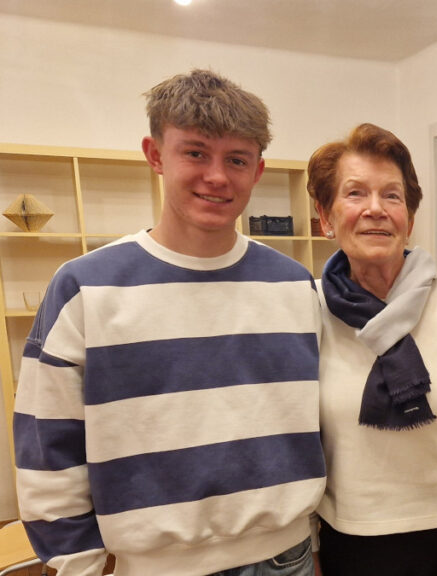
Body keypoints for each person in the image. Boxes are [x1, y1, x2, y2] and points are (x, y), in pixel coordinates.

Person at [14, 69, 325, 575]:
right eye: (196, 152)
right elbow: (47, 447)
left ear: (258, 171)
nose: (218, 176)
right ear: (155, 155)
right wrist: (78, 565)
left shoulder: (295, 285)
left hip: (286, 558)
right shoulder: (85, 288)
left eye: (237, 159)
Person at [307, 123, 437, 576]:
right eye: (355, 194)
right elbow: (298, 443)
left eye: (392, 196)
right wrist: (313, 554)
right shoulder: (310, 311)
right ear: (325, 216)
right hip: (344, 545)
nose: (375, 210)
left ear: (410, 218)